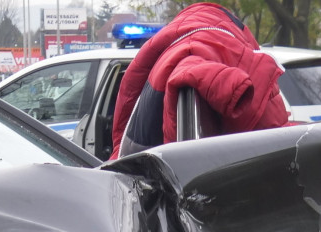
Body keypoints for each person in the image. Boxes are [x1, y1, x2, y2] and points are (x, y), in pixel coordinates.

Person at [108, 2, 290, 157]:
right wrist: (233, 86)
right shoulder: (198, 49)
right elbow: (191, 72)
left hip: (143, 179)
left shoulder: (172, 56)